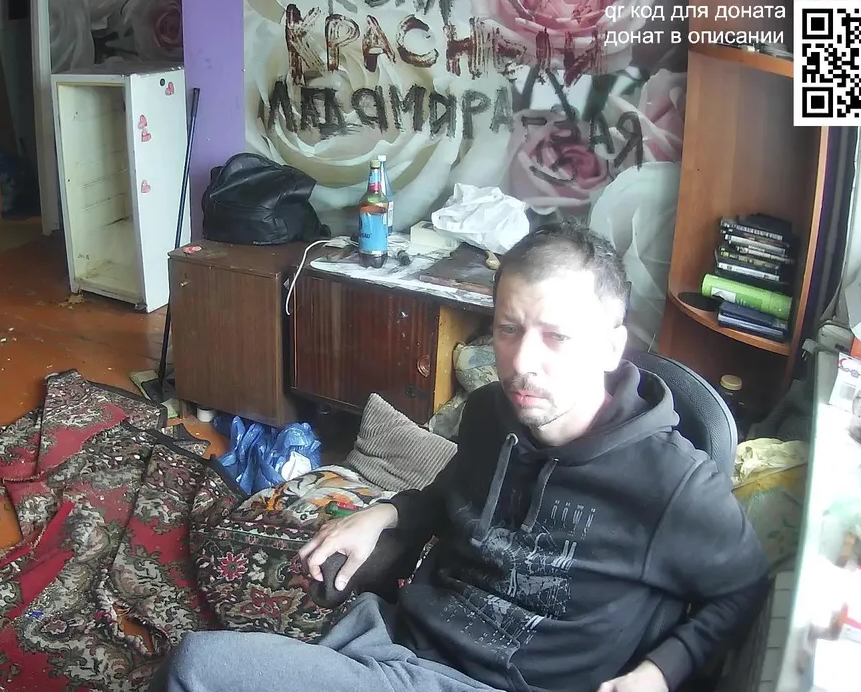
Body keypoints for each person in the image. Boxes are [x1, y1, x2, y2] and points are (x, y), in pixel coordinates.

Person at [150, 219, 769, 692]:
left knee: (198, 668)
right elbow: (454, 494)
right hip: (398, 647)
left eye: (557, 336)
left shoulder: (674, 482)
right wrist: (388, 512)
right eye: (508, 328)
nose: (522, 362)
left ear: (611, 346)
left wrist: (659, 672)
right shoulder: (491, 414)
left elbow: (742, 589)